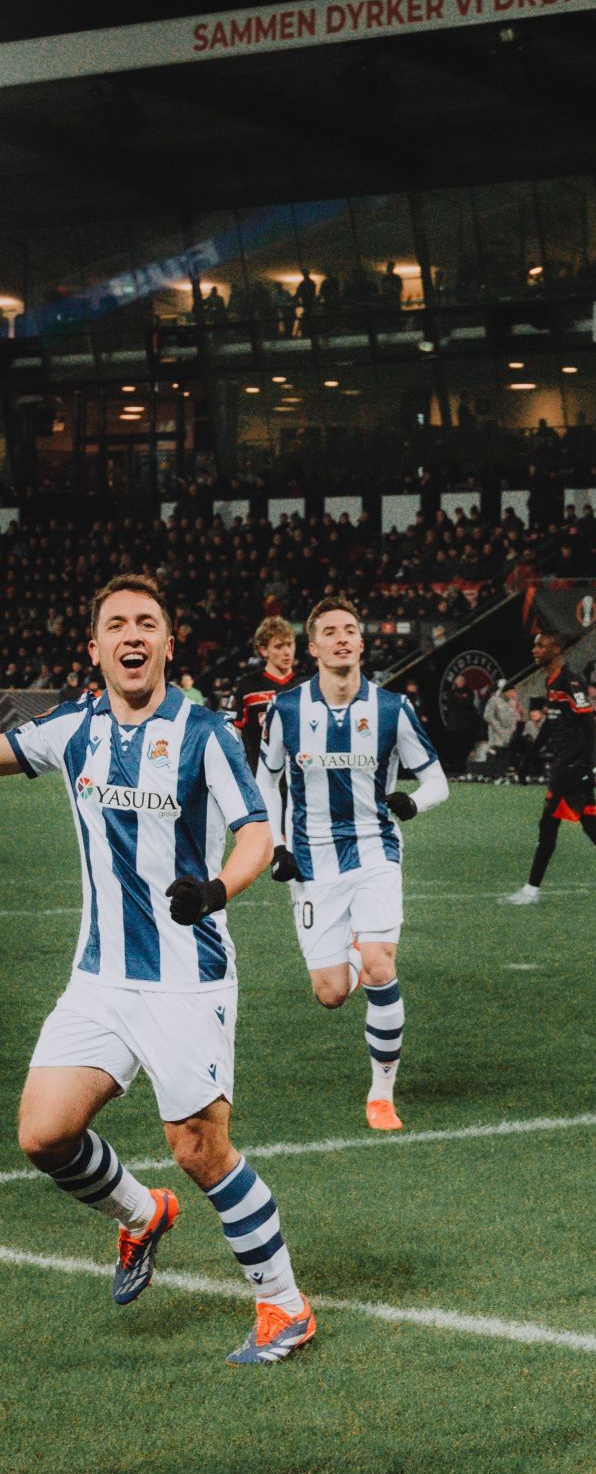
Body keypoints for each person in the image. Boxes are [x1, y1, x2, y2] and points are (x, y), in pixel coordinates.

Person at [1, 574, 316, 1364]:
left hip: (186, 977)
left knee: (201, 1150)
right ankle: (142, 1215)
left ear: (168, 645)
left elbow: (257, 835)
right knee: (43, 1133)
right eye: (116, 624)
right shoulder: (72, 728)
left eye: (147, 623)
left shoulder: (204, 731)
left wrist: (214, 890)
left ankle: (285, 1306)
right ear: (97, 647)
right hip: (100, 976)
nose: (131, 635)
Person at [259, 595, 449, 1131]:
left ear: (361, 644)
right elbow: (265, 782)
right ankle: (351, 950)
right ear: (313, 646)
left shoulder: (392, 709)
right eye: (330, 631)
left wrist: (414, 801)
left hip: (375, 853)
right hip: (313, 864)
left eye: (350, 630)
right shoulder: (286, 710)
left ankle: (381, 1094)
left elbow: (437, 780)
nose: (342, 638)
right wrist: (275, 845)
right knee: (332, 993)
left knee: (380, 964)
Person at [500, 631, 596, 907]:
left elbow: (588, 723)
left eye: (541, 645)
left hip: (572, 766)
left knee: (548, 824)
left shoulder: (570, 680)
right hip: (567, 762)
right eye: (535, 645)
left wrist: (591, 762)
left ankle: (530, 890)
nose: (534, 650)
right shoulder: (551, 683)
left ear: (557, 649)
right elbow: (550, 724)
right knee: (590, 824)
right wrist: (528, 757)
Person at [231, 617, 303, 773]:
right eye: (279, 646)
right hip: (257, 775)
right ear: (264, 650)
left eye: (290, 644)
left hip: (299, 778)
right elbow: (236, 734)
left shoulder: (306, 685)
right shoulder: (247, 685)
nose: (287, 652)